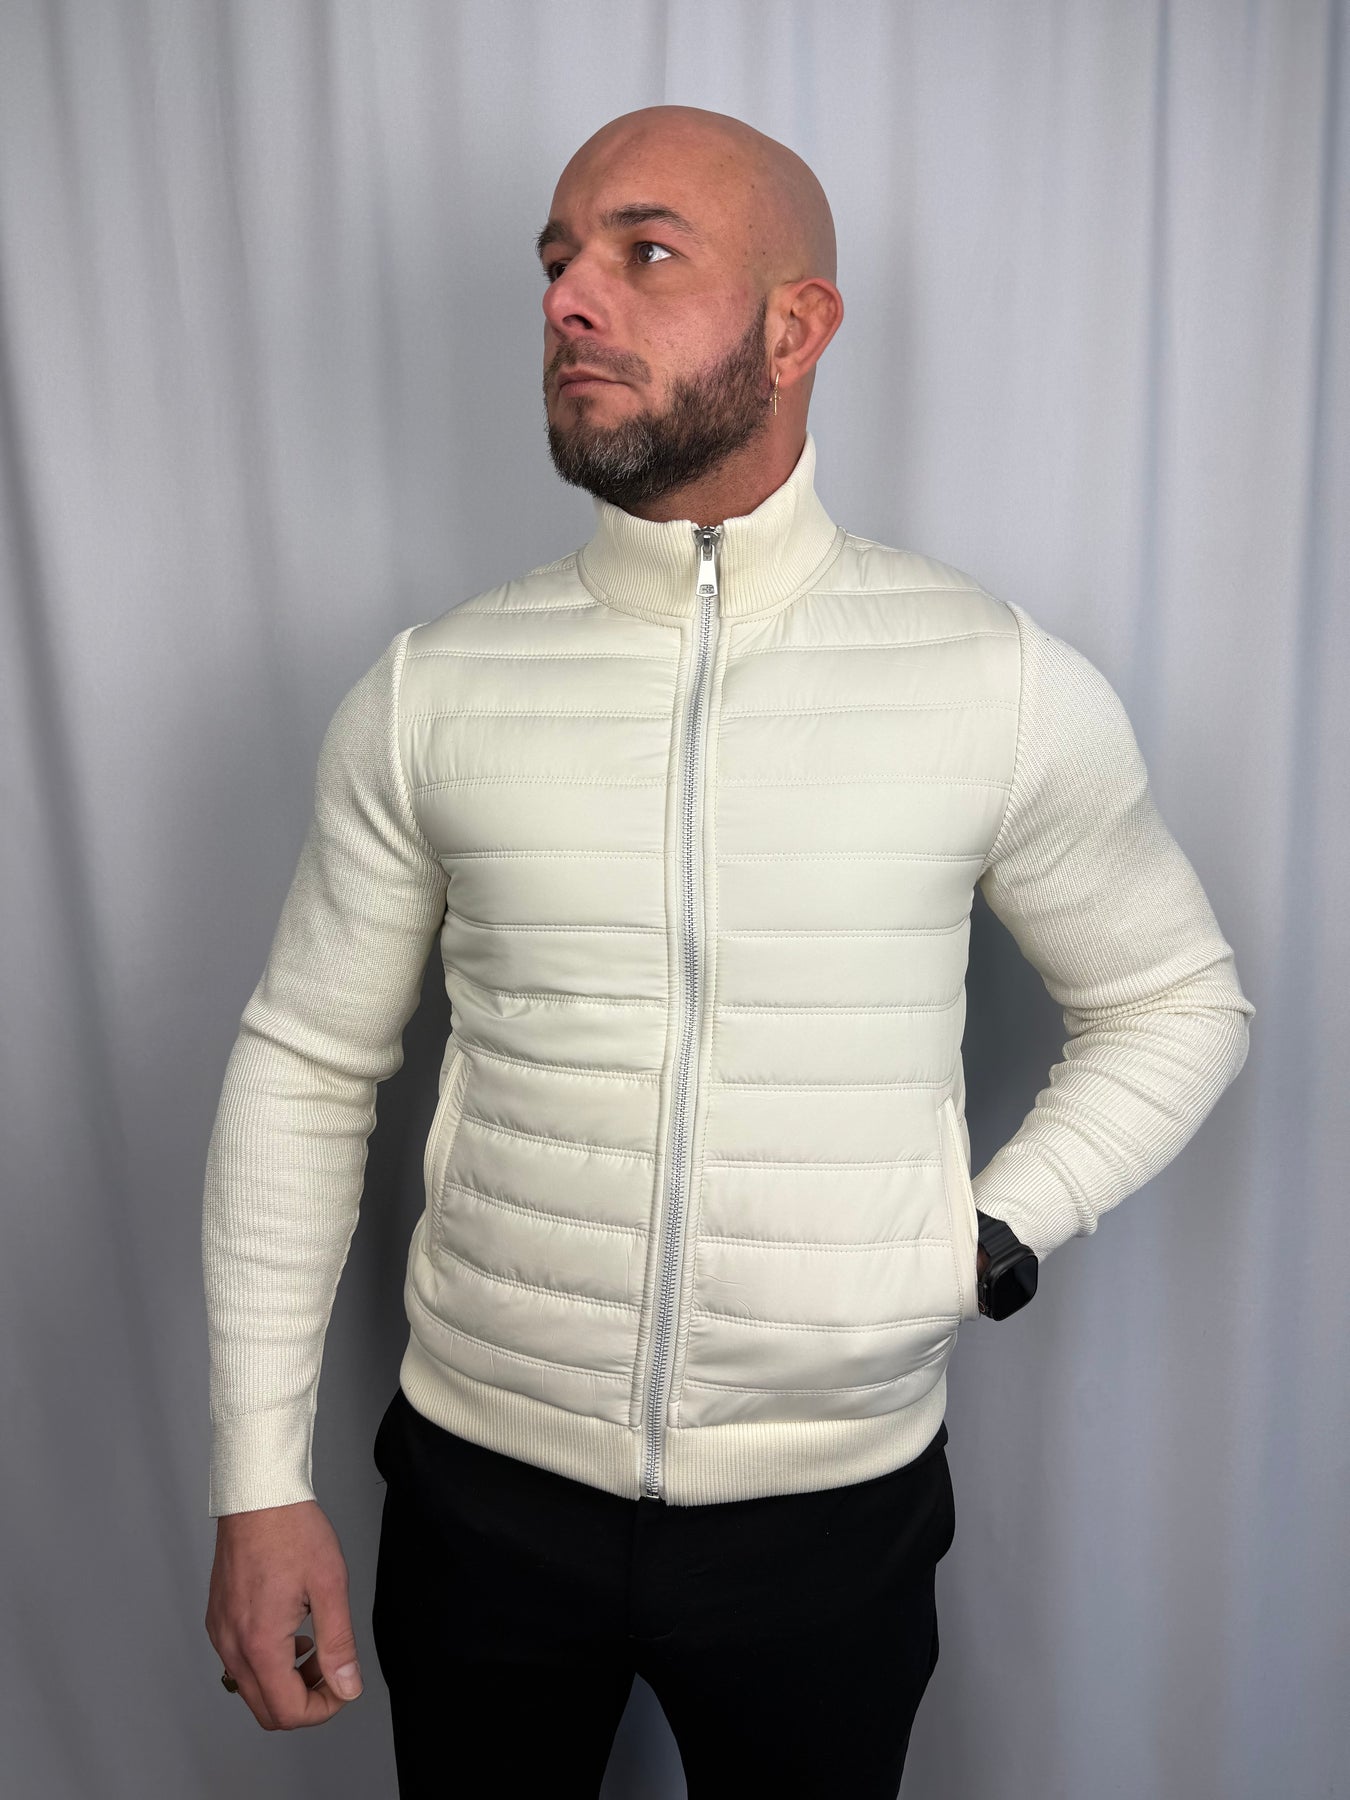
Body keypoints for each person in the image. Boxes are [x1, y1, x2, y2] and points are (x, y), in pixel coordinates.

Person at [202, 105, 1255, 1796]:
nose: (568, 299)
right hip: (480, 1500)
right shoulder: (433, 690)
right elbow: (306, 1066)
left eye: (643, 253)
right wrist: (260, 1481)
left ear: (795, 326)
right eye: (557, 261)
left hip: (829, 1517)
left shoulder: (989, 682)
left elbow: (1174, 1000)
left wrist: (984, 1233)